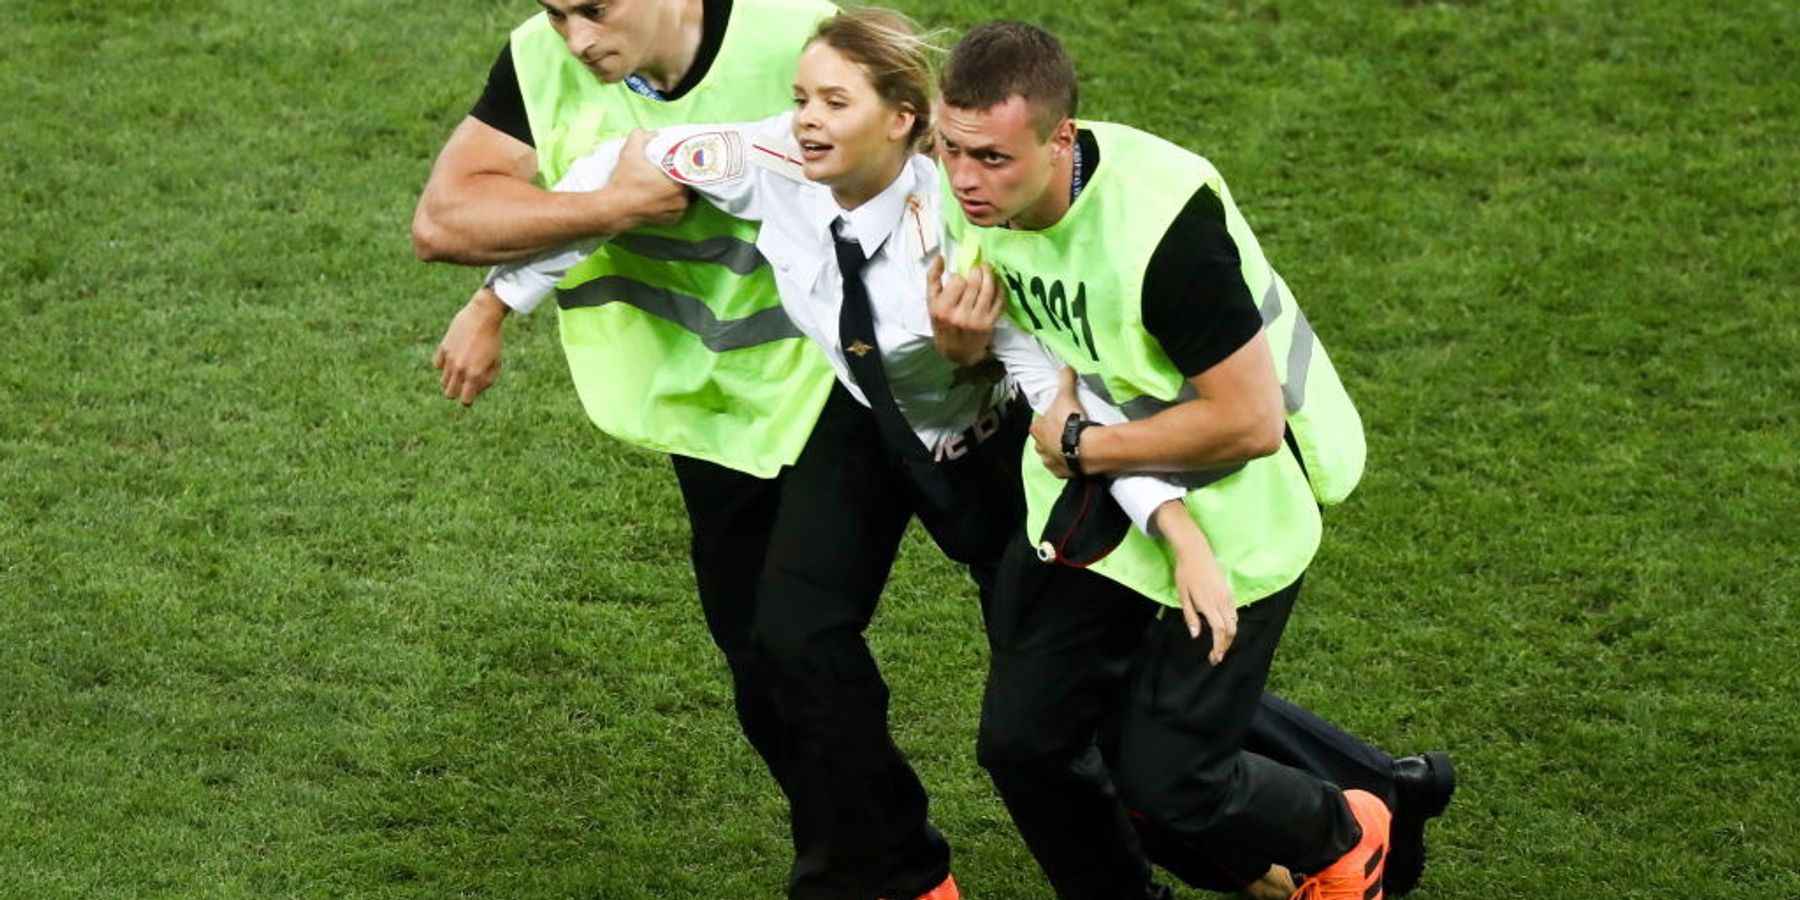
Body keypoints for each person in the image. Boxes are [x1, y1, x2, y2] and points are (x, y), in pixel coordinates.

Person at [483, 10, 1452, 898]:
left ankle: (1341, 814)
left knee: (1096, 714)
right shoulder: (786, 158)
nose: (806, 120)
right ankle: (896, 877)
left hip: (1004, 458)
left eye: (834, 103)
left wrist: (1162, 516)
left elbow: (1083, 408)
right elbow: (617, 167)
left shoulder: (978, 237)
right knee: (817, 648)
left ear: (900, 121)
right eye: (801, 98)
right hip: (876, 427)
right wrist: (496, 303)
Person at [934, 20, 1445, 900]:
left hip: (1238, 506)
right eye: (950, 150)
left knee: (1173, 777)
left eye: (991, 159)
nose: (964, 180)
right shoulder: (970, 192)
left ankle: (1351, 829)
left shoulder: (1164, 232)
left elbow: (1249, 422)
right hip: (1102, 505)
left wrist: (1087, 447)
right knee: (1024, 746)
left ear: (1060, 139)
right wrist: (963, 346)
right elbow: (1034, 355)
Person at [409, 1, 896, 897]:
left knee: (811, 636)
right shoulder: (541, 63)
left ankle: (901, 867)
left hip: (852, 373)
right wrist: (600, 215)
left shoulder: (798, 32)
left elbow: (928, 157)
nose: (576, 39)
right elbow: (444, 221)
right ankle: (886, 863)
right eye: (557, 13)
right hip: (715, 406)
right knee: (762, 663)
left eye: (594, 10)